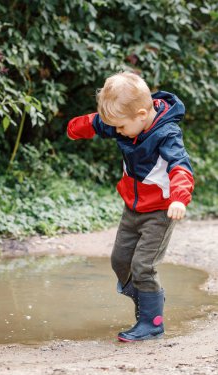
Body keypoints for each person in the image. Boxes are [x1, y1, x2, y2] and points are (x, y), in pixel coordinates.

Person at [67, 71, 194, 342]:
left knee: (143, 266)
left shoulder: (166, 134)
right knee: (120, 260)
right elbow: (97, 122)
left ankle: (152, 322)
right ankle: (151, 296)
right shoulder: (124, 121)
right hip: (132, 208)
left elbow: (181, 167)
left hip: (160, 211)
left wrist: (178, 199)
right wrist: (76, 128)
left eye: (121, 128)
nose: (117, 132)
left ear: (140, 115)